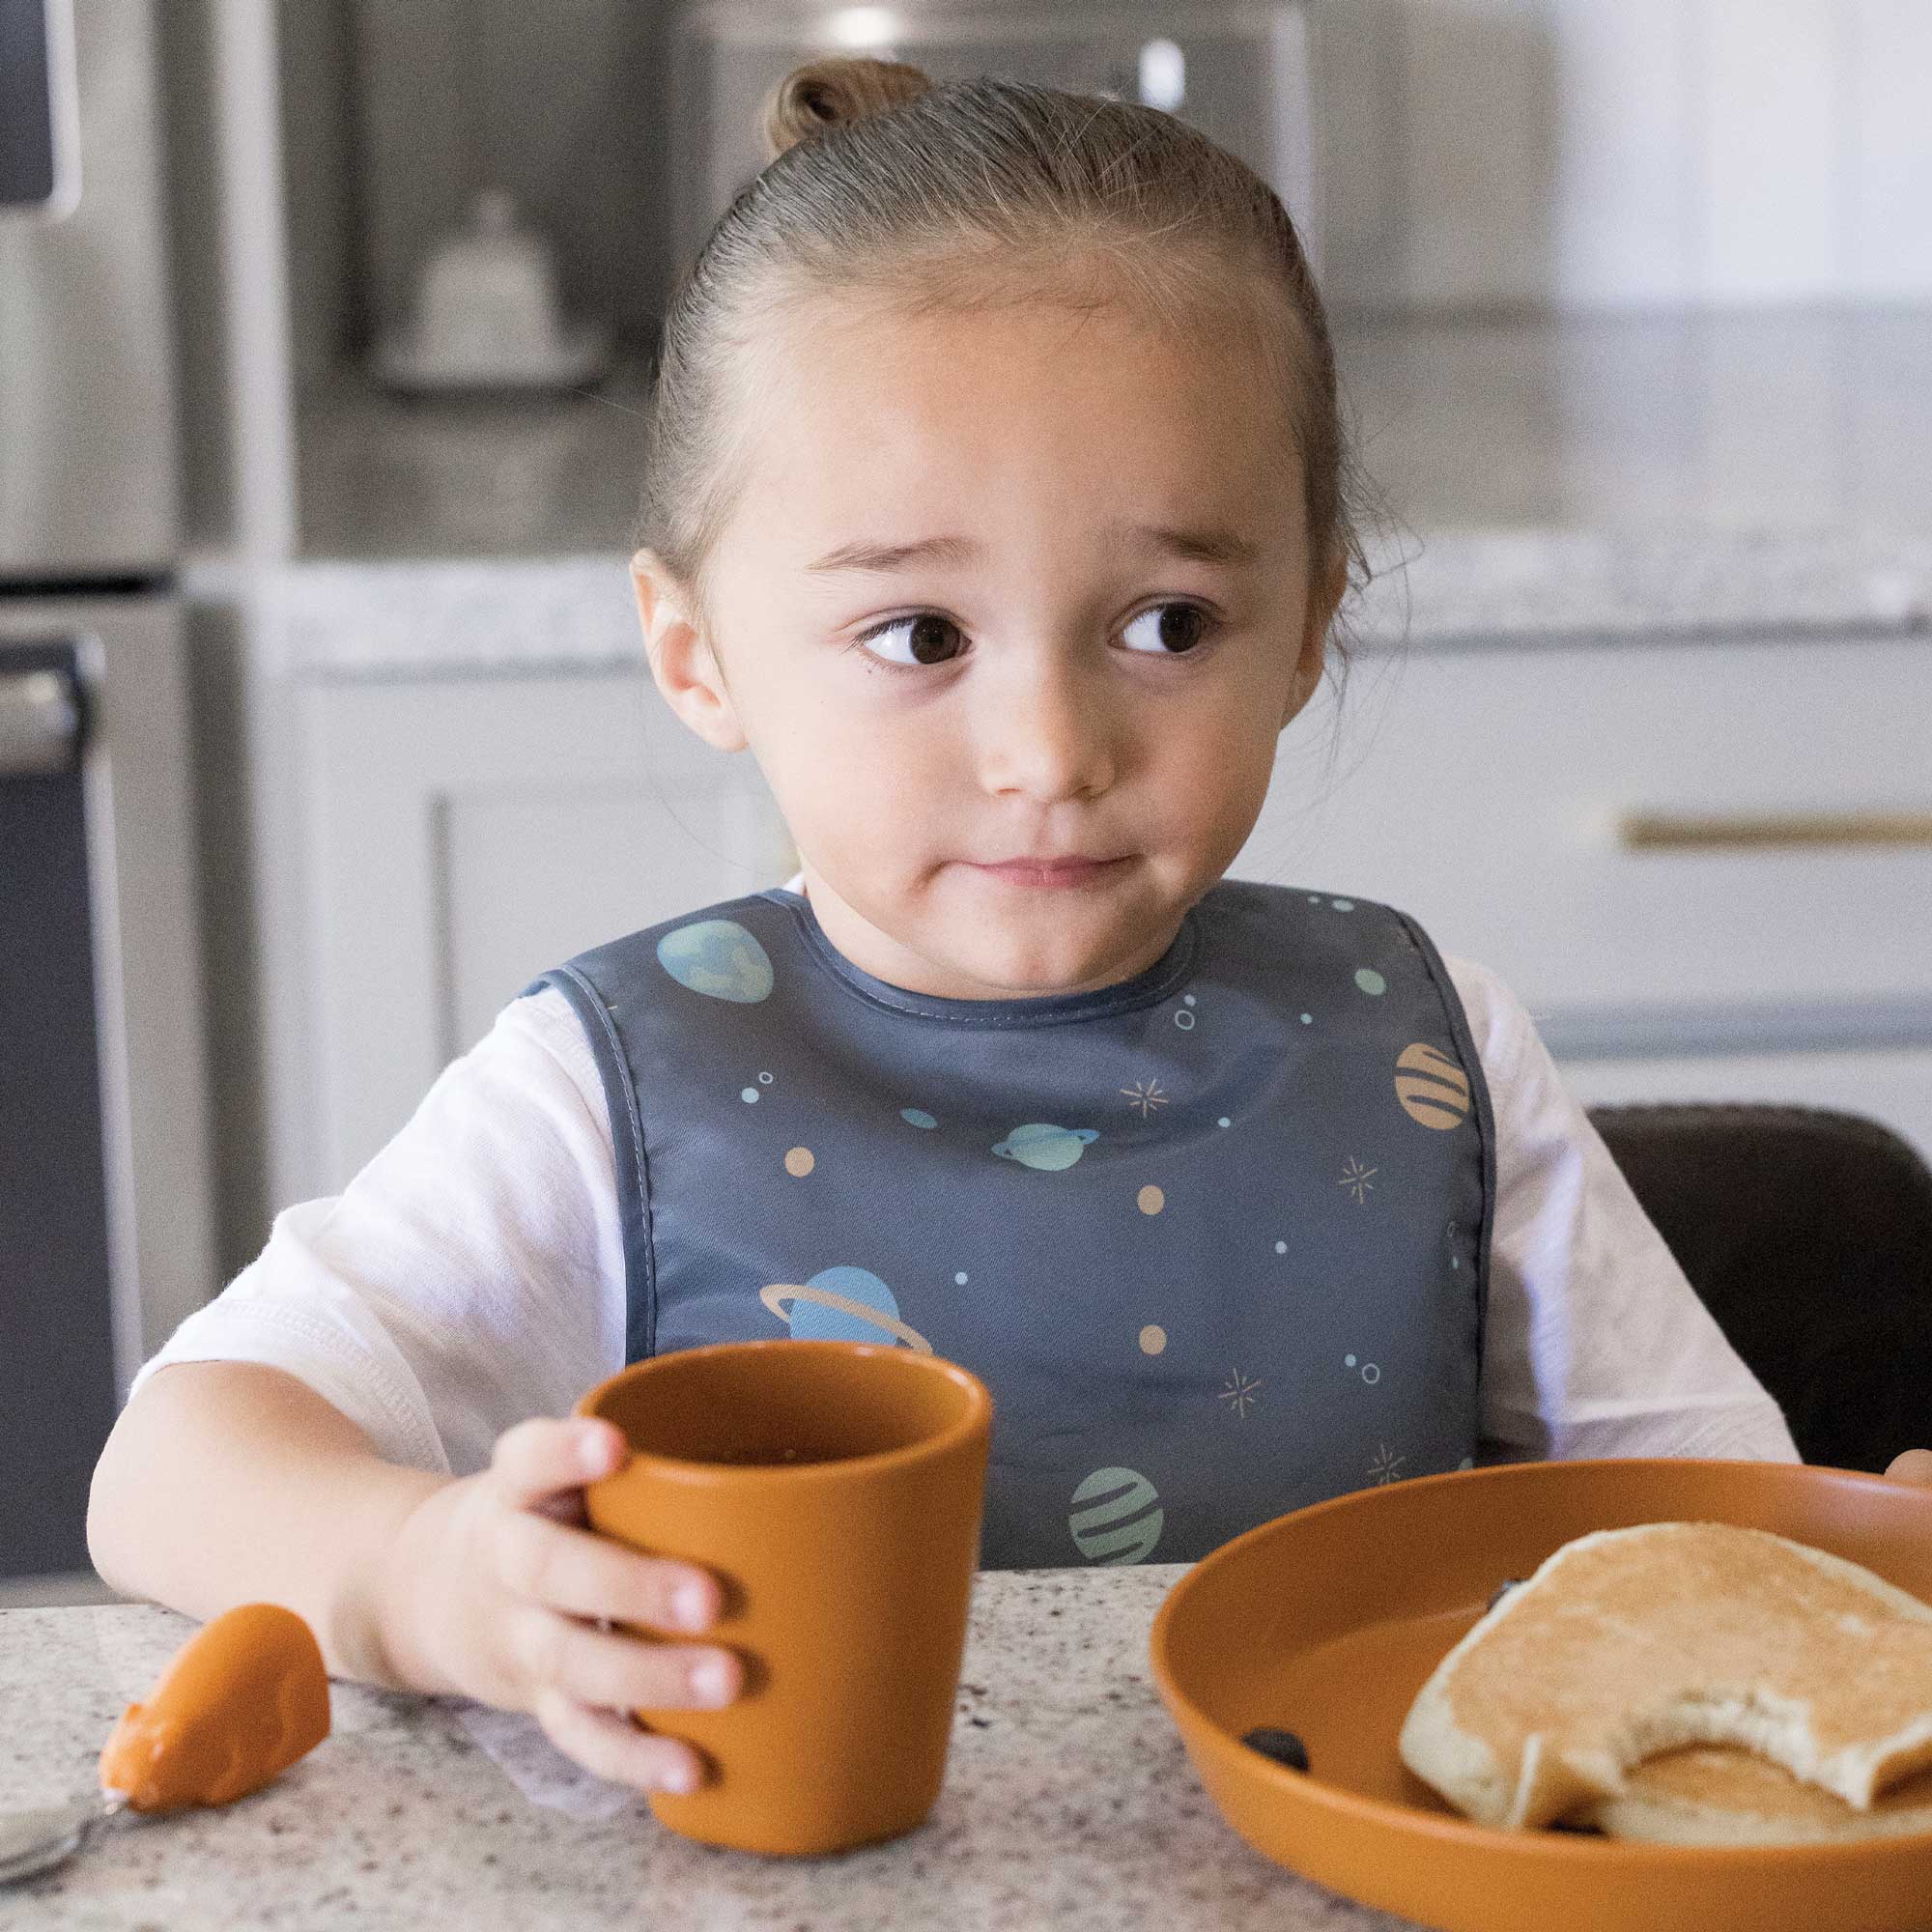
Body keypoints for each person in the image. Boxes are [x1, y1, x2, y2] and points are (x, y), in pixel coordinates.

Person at [89, 58, 1932, 1801]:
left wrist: (1869, 1569)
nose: (1051, 753)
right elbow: (168, 1467)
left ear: (1309, 625)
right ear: (697, 653)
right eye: (920, 637)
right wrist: (425, 1574)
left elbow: (1707, 1524)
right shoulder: (608, 1090)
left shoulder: (1433, 1045)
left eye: (1169, 626)